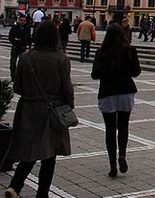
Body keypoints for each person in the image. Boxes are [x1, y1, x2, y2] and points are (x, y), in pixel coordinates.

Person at [4, 21, 74, 198]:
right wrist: (69, 106)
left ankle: (14, 187)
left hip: (28, 110)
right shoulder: (61, 59)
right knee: (49, 156)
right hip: (51, 110)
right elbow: (67, 88)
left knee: (29, 152)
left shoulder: (26, 57)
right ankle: (42, 194)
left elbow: (18, 87)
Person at [91, 25, 141, 177]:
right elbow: (136, 72)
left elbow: (94, 74)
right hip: (126, 91)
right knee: (124, 126)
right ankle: (122, 155)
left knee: (110, 129)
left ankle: (112, 165)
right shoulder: (130, 51)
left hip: (108, 93)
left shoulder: (102, 52)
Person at [8, 15, 31, 80]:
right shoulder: (14, 28)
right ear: (18, 20)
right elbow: (10, 37)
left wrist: (29, 46)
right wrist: (14, 40)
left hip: (23, 48)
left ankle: (21, 77)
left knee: (22, 64)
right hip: (15, 47)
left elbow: (29, 38)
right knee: (13, 63)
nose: (23, 22)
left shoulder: (27, 28)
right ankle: (13, 76)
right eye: (21, 20)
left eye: (24, 21)